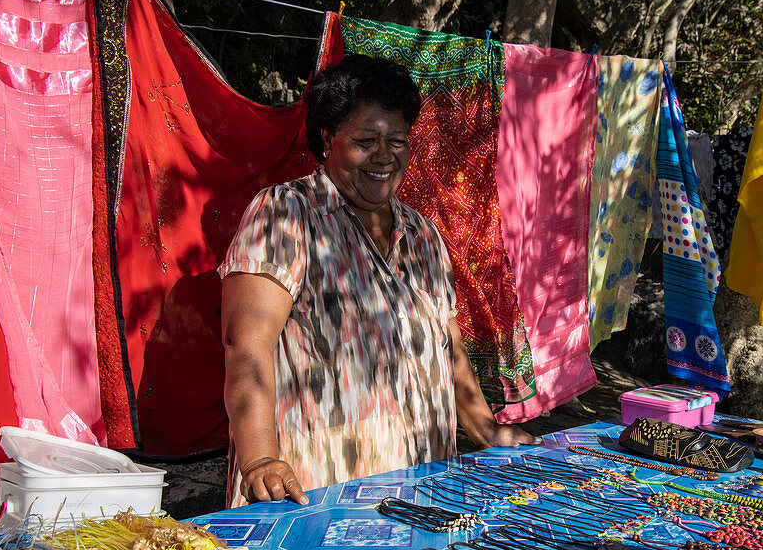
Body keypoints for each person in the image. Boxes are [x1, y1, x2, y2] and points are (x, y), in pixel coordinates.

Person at [218, 55, 537, 507]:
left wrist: (485, 428)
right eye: (366, 140)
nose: (385, 156)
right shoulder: (287, 214)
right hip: (316, 486)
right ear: (328, 138)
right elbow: (246, 344)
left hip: (421, 481)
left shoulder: (423, 234)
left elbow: (449, 347)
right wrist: (260, 460)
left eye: (398, 140)